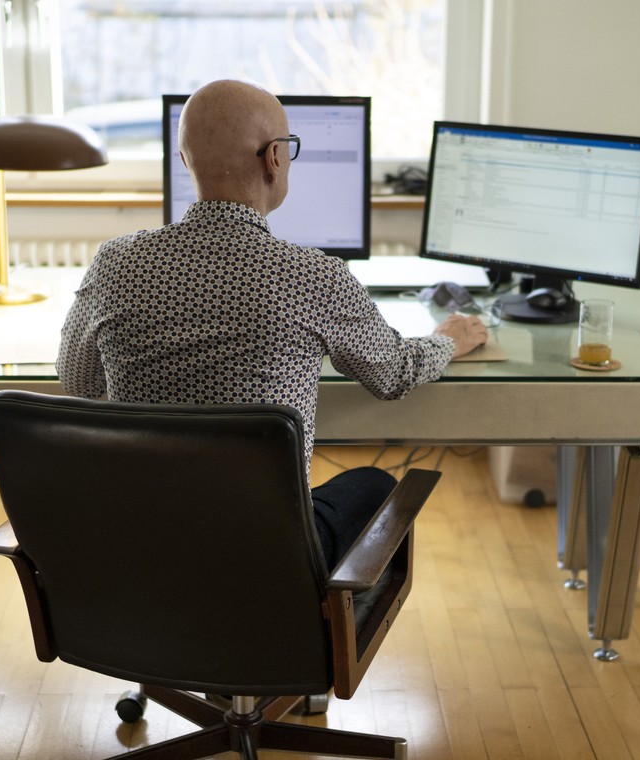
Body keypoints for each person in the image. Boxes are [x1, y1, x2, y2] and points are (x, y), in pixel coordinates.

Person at [56, 79, 486, 585]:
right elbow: (392, 374)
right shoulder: (314, 276)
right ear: (274, 158)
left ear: (186, 160)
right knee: (372, 485)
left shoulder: (115, 264)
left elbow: (78, 382)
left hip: (146, 553)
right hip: (266, 562)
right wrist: (448, 340)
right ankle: (323, 630)